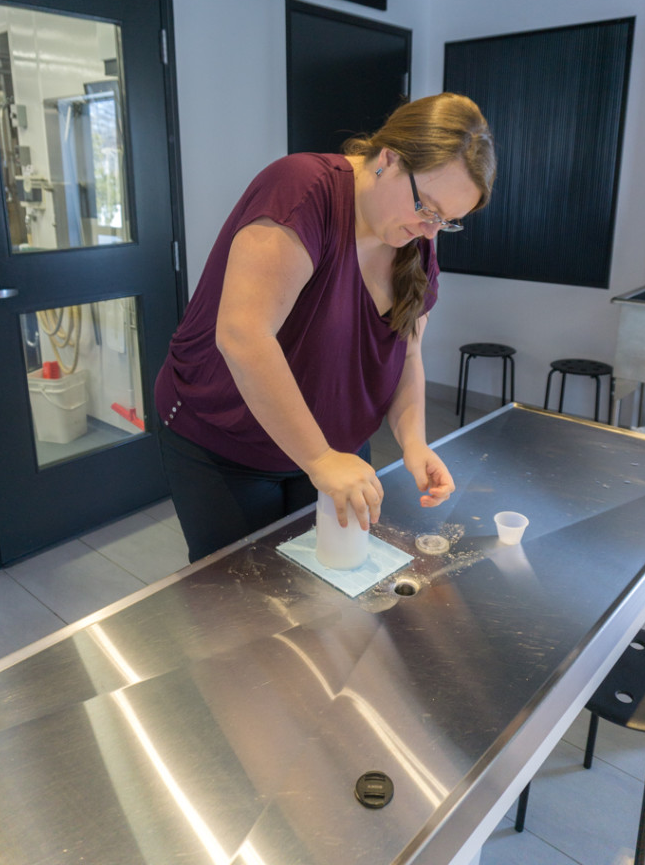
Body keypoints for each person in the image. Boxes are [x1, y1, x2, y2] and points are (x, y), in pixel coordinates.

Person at [155, 92, 496, 562]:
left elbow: (407, 356)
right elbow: (242, 335)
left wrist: (413, 441)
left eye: (448, 221)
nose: (431, 229)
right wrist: (318, 458)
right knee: (248, 598)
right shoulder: (302, 189)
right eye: (427, 207)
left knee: (333, 580)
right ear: (389, 159)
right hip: (230, 442)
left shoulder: (414, 237)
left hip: (337, 452)